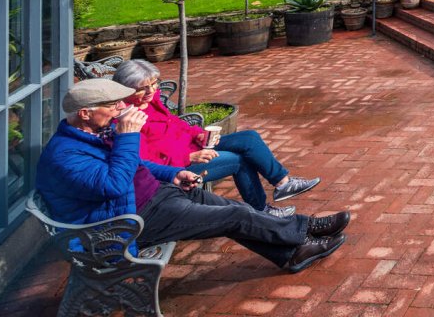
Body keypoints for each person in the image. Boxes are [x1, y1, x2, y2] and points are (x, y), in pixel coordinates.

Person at [37, 79, 349, 273]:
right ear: (85, 113)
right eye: (112, 104)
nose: (122, 107)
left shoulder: (95, 133)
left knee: (235, 210)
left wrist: (174, 174)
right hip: (129, 220)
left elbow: (136, 166)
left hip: (155, 196)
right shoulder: (66, 155)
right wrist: (128, 136)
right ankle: (304, 230)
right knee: (233, 216)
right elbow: (115, 184)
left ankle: (293, 253)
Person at [111, 60, 318, 217]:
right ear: (126, 88)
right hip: (180, 167)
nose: (151, 91)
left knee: (249, 138)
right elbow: (146, 162)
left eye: (154, 84)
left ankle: (283, 183)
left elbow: (176, 124)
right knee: (239, 160)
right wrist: (190, 156)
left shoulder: (152, 101)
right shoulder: (128, 119)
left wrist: (199, 134)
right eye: (143, 88)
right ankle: (262, 211)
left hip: (193, 146)